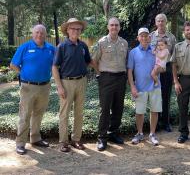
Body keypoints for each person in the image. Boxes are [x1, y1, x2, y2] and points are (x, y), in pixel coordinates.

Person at [10, 24, 55, 155]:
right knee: (25, 115)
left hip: (45, 86)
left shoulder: (51, 49)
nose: (39, 35)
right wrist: (23, 74)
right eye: (37, 32)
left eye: (42, 33)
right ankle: (20, 143)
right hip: (28, 87)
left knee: (38, 114)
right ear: (32, 34)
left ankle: (35, 138)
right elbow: (13, 64)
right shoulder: (25, 47)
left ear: (45, 35)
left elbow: (56, 65)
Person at [52, 18, 96, 152]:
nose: (76, 31)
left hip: (82, 81)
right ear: (67, 30)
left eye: (78, 29)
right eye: (73, 28)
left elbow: (89, 62)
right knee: (64, 113)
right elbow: (54, 66)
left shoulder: (83, 46)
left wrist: (102, 66)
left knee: (79, 112)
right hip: (66, 82)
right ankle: (63, 142)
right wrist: (59, 86)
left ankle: (76, 139)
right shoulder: (62, 47)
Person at [92, 17, 128, 151]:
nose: (114, 27)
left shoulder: (124, 43)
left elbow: (126, 61)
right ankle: (102, 137)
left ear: (119, 27)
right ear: (108, 27)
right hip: (106, 78)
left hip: (121, 78)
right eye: (112, 25)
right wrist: (99, 74)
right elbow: (93, 60)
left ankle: (113, 133)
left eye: (116, 25)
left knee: (118, 108)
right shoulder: (101, 42)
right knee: (105, 109)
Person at [128, 27, 162, 146]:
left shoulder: (156, 50)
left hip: (155, 86)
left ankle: (152, 134)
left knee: (154, 111)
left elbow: (162, 67)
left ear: (150, 37)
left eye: (146, 35)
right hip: (140, 87)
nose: (144, 38)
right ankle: (140, 133)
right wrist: (132, 86)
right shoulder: (133, 52)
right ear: (138, 38)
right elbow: (129, 71)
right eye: (141, 36)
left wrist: (157, 71)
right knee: (139, 112)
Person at [150, 13, 176, 132]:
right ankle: (156, 122)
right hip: (154, 70)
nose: (160, 23)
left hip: (166, 70)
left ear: (166, 22)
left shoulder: (171, 37)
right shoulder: (150, 37)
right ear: (156, 23)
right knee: (155, 96)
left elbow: (175, 56)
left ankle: (166, 122)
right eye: (158, 21)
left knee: (166, 96)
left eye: (163, 21)